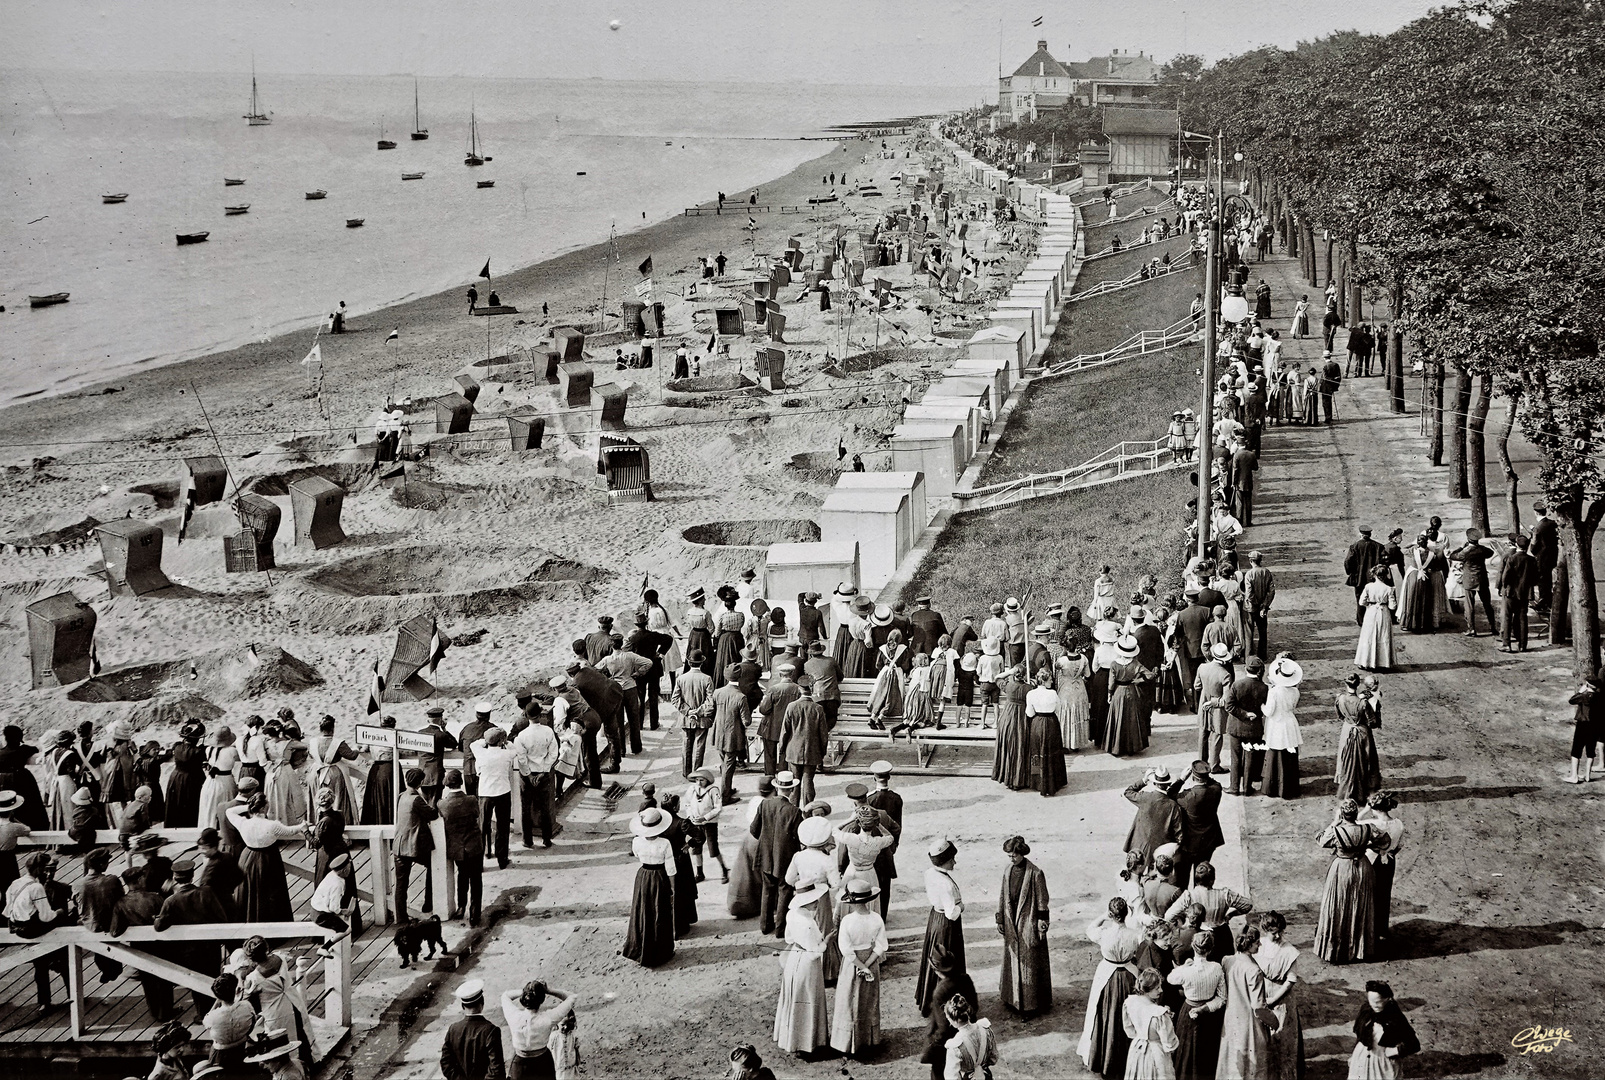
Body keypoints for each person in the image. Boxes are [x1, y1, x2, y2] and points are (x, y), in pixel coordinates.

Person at [153, 856, 229, 1018]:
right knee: (213, 977)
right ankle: (216, 1011)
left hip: (188, 949)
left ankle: (203, 1014)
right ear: (192, 876)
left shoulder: (171, 901)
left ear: (174, 879)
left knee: (195, 980)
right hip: (210, 946)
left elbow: (159, 926)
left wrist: (157, 918)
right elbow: (222, 918)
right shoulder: (206, 893)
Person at [1315, 799, 1386, 964]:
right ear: (1355, 814)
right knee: (1361, 906)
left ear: (1342, 814)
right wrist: (1367, 846)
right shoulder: (1367, 828)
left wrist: (1334, 823)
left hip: (1342, 869)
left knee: (1339, 906)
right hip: (1363, 867)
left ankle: (1337, 950)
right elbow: (1385, 840)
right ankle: (1361, 948)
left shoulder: (1336, 831)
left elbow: (1321, 840)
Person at [1079, 897, 1143, 1077]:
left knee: (1104, 1013)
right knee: (1128, 1014)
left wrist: (1103, 916)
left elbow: (1090, 928)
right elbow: (1141, 937)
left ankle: (1104, 1057)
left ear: (1112, 915)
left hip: (1107, 973)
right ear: (1125, 914)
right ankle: (1125, 1059)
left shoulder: (1104, 933)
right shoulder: (1134, 934)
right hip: (1129, 974)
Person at [829, 880, 888, 1058]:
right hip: (871, 961)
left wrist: (861, 967)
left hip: (852, 964)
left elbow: (846, 949)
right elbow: (881, 945)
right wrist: (869, 965)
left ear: (851, 902)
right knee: (868, 1001)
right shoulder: (876, 918)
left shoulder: (847, 921)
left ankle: (848, 1042)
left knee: (849, 999)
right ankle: (870, 1039)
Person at [227, 792, 307, 922]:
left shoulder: (243, 823)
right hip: (268, 859)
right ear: (264, 808)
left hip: (248, 857)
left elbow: (229, 811)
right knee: (270, 893)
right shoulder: (272, 825)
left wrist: (249, 807)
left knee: (249, 891)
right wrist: (302, 827)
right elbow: (290, 831)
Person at [994, 836, 1050, 1017]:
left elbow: (1042, 901)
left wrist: (1042, 923)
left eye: (1014, 856)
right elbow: (1002, 897)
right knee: (1012, 961)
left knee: (1031, 966)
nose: (1011, 859)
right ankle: (1012, 1000)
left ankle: (1032, 1005)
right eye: (1009, 856)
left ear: (1022, 854)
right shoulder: (1007, 870)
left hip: (1029, 925)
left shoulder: (1035, 873)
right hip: (1011, 924)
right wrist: (1000, 919)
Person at [774, 883, 831, 1055]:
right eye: (813, 900)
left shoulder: (792, 914)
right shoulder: (808, 922)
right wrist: (826, 941)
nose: (816, 903)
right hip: (807, 963)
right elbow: (815, 952)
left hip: (794, 957)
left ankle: (791, 1038)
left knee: (793, 998)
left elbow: (789, 937)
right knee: (808, 999)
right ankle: (808, 1043)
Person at [1166, 929, 1225, 1080]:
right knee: (1207, 1051)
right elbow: (1222, 998)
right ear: (1210, 949)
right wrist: (1205, 1008)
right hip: (1210, 1015)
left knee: (1186, 1052)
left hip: (1188, 1011)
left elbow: (1170, 978)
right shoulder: (1217, 968)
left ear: (1193, 946)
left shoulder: (1186, 972)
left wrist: (1184, 966)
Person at [1163, 862, 1252, 960]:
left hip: (1200, 937)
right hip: (1222, 935)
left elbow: (1168, 916)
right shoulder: (1225, 895)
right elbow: (1248, 905)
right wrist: (1230, 915)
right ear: (1212, 880)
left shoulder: (1188, 896)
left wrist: (1183, 925)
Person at [624, 808, 677, 967]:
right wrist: (673, 888)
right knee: (659, 911)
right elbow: (670, 868)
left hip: (643, 876)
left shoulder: (637, 841)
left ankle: (639, 947)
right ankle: (660, 951)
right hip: (659, 877)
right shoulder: (664, 843)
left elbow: (637, 855)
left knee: (642, 910)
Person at [1256, 912, 1305, 1080]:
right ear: (1264, 930)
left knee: (1282, 1039)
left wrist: (1273, 999)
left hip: (1281, 998)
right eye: (1273, 932)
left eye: (1280, 932)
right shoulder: (1259, 945)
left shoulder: (1289, 951)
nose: (1277, 936)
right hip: (1261, 993)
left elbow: (1290, 981)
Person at [1217, 925, 1269, 1080]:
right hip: (1250, 1023)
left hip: (1231, 1018)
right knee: (1253, 1063)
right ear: (1248, 944)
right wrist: (1273, 1021)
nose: (1260, 944)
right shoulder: (1254, 970)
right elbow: (1258, 1006)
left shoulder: (1227, 961)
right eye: (1257, 942)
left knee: (1232, 1059)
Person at [502, 978, 577, 1080]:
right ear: (541, 999)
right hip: (542, 1063)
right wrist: (547, 990)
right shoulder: (548, 1018)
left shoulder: (513, 1016)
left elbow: (505, 996)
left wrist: (527, 990)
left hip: (520, 1063)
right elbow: (571, 996)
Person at [1348, 980, 1419, 1079]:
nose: (1374, 1005)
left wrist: (1396, 1050)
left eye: (1377, 1002)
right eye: (1371, 1001)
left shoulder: (1395, 1018)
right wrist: (1354, 1055)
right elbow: (1360, 1035)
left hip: (1382, 1062)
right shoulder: (1366, 1010)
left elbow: (1414, 1044)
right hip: (1362, 1058)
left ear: (1387, 999)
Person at [440, 770, 485, 926]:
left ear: (447, 785)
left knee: (462, 876)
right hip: (474, 846)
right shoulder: (471, 800)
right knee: (476, 879)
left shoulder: (443, 804)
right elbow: (477, 814)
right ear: (461, 783)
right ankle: (475, 912)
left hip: (457, 848)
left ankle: (461, 907)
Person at [1170, 761, 1225, 887]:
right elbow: (1215, 783)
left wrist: (1182, 779)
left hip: (1189, 844)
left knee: (1182, 878)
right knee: (1202, 878)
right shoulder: (1216, 790)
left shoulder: (1188, 797)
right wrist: (1204, 773)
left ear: (1193, 777)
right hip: (1208, 841)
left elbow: (1170, 794)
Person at [441, 979, 505, 1080]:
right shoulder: (491, 1031)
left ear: (463, 1006)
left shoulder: (453, 1029)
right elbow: (496, 1069)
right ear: (482, 1003)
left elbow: (446, 1064)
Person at [1122, 967, 1179, 1080]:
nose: (1161, 990)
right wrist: (1168, 1020)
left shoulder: (1130, 1003)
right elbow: (1170, 1044)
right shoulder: (1159, 1014)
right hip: (1156, 1054)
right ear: (1147, 990)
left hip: (1137, 1050)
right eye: (1157, 988)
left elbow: (1129, 1030)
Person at [1335, 675, 1382, 805]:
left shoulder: (1340, 698)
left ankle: (1347, 785)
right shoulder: (1363, 702)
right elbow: (1373, 722)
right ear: (1357, 685)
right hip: (1362, 732)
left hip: (1347, 730)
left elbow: (1339, 716)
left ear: (1346, 684)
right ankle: (1364, 787)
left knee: (1346, 758)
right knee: (1366, 759)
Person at [1261, 656, 1304, 799]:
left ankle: (1273, 787)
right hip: (1290, 723)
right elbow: (1292, 707)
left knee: (1275, 755)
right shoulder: (1295, 692)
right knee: (1289, 756)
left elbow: (1269, 711)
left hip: (1276, 724)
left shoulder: (1274, 692)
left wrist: (1262, 706)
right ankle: (1289, 788)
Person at [1124, 769, 1182, 871]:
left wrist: (1144, 780)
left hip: (1139, 846)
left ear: (1154, 783)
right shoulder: (1173, 805)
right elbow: (1179, 833)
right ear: (1168, 783)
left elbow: (1128, 792)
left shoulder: (1145, 797)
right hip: (1160, 851)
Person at [711, 666, 752, 805]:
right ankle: (725, 796)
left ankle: (726, 788)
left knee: (724, 764)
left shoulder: (717, 692)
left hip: (718, 733)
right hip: (732, 737)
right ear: (739, 677)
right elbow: (747, 721)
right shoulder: (741, 697)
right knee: (729, 766)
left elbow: (711, 710)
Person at [1447, 528, 1496, 636]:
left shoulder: (1465, 552)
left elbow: (1452, 556)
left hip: (1469, 580)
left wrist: (1461, 547)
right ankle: (1493, 627)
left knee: (1469, 605)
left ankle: (1471, 629)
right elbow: (1491, 552)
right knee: (1487, 604)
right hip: (1482, 579)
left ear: (1468, 539)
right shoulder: (1482, 550)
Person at [673, 654, 715, 778]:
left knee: (686, 744)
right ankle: (697, 773)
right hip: (702, 718)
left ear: (689, 663)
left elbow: (675, 699)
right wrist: (698, 712)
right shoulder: (707, 679)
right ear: (701, 663)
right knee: (700, 745)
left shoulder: (681, 678)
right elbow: (710, 701)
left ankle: (686, 772)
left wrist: (688, 711)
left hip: (686, 719)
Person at [941, 994, 998, 1080]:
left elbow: (951, 1077)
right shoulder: (985, 1029)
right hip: (986, 1076)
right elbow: (994, 1057)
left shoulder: (955, 1046)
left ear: (954, 1020)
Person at [1498, 533, 1539, 652]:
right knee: (1522, 618)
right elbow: (1535, 578)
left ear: (1516, 545)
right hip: (1524, 593)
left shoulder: (1512, 558)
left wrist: (1505, 587)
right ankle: (1522, 645)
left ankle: (1507, 644)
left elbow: (1505, 577)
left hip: (1511, 592)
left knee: (1507, 617)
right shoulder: (1531, 560)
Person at [1355, 566, 1397, 671]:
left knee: (1368, 635)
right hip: (1383, 613)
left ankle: (1365, 661)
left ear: (1374, 575)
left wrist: (1370, 603)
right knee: (1383, 636)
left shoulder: (1369, 586)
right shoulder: (1388, 589)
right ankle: (1383, 662)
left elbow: (1361, 602)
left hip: (1371, 612)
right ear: (1386, 575)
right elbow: (1392, 606)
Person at [1344, 527, 1387, 627]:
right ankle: (1373, 620)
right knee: (1374, 599)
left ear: (1361, 534)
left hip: (1359, 578)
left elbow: (1348, 561)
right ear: (1370, 534)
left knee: (1360, 599)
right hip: (1374, 579)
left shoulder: (1355, 546)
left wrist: (1351, 572)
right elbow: (1385, 560)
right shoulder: (1378, 546)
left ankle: (1361, 621)